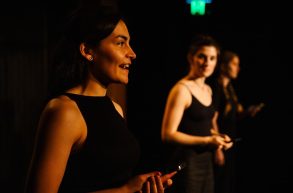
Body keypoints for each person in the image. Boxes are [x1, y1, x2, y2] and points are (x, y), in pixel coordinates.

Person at [24, 4, 175, 193]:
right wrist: (126, 190)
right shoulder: (64, 111)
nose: (132, 53)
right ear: (88, 51)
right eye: (121, 43)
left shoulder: (115, 107)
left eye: (129, 43)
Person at [161, 34, 233, 193]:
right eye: (202, 56)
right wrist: (208, 140)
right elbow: (167, 134)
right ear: (191, 58)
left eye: (212, 58)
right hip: (187, 162)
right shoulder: (181, 90)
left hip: (206, 161)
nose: (207, 62)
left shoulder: (208, 89)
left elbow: (203, 126)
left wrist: (219, 139)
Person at [210, 50, 264, 193]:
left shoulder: (229, 88)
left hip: (230, 142)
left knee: (227, 182)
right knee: (219, 183)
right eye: (234, 64)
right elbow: (212, 119)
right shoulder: (217, 87)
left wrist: (248, 112)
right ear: (223, 66)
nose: (238, 68)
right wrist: (218, 148)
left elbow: (235, 115)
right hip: (221, 144)